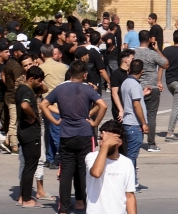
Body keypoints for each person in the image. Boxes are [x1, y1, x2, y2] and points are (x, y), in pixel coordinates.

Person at [40, 60, 108, 213]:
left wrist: (55, 121)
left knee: (66, 172)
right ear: (84, 75)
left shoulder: (60, 88)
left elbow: (43, 104)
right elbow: (103, 105)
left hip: (66, 134)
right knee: (83, 170)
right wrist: (95, 122)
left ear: (70, 73)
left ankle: (63, 207)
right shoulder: (87, 89)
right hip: (84, 134)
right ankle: (81, 201)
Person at [86, 120, 137, 214]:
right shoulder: (91, 157)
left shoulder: (127, 163)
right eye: (101, 139)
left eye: (107, 140)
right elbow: (96, 173)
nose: (102, 143)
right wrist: (106, 145)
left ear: (119, 142)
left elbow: (129, 196)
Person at [133, 30, 168, 152]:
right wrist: (157, 49)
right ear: (149, 40)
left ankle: (135, 140)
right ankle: (151, 143)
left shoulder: (133, 53)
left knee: (136, 114)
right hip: (152, 87)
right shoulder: (152, 54)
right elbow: (165, 64)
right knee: (151, 116)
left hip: (137, 87)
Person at [17, 66, 46, 207]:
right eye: (39, 81)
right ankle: (27, 199)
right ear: (31, 79)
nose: (40, 83)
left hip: (23, 131)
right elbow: (24, 105)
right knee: (30, 166)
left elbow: (44, 89)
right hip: (30, 133)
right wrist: (34, 116)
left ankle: (23, 196)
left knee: (27, 166)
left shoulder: (22, 89)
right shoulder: (27, 91)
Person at [119, 58, 149, 192]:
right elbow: (136, 105)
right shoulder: (135, 85)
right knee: (131, 156)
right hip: (134, 124)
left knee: (131, 155)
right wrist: (144, 123)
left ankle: (134, 182)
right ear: (141, 71)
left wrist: (142, 94)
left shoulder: (126, 82)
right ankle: (129, 184)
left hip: (128, 123)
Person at [110, 49, 135, 122]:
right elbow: (114, 93)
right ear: (126, 60)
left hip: (129, 108)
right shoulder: (116, 74)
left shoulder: (130, 73)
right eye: (132, 59)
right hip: (120, 109)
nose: (134, 61)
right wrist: (121, 110)